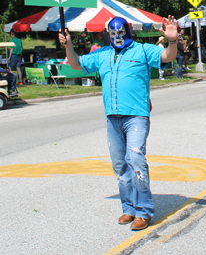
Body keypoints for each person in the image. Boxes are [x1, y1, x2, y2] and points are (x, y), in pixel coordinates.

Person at [58, 16, 178, 231]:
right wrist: (68, 45)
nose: (117, 37)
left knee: (135, 157)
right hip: (112, 117)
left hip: (136, 116)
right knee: (120, 164)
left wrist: (173, 40)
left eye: (121, 32)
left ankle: (144, 211)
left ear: (128, 31)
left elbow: (167, 56)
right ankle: (129, 207)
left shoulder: (142, 50)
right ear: (108, 34)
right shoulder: (102, 54)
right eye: (113, 33)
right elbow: (76, 64)